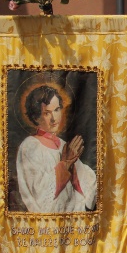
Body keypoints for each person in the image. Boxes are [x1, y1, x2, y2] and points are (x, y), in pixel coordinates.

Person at [16, 85, 97, 213]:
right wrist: (65, 165)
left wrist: (74, 169)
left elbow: (90, 183)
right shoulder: (30, 146)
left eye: (57, 109)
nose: (54, 119)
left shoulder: (64, 144)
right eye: (47, 113)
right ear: (36, 117)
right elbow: (40, 196)